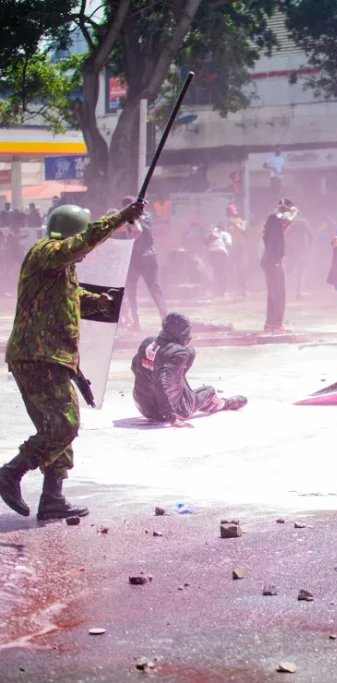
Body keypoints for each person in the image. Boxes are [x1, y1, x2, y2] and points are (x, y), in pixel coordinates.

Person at [0, 200, 146, 521]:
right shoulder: (47, 251)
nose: (84, 253)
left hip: (43, 356)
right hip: (42, 357)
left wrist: (98, 302)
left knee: (55, 428)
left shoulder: (58, 267)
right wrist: (120, 218)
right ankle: (10, 473)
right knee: (65, 425)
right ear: (69, 234)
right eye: (79, 243)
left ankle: (52, 498)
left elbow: (70, 298)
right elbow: (84, 241)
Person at [131, 312, 247, 425]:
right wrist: (171, 417)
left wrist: (148, 385)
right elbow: (161, 383)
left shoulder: (148, 343)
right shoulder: (179, 352)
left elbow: (135, 366)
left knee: (188, 352)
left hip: (143, 407)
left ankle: (187, 396)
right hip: (170, 412)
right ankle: (224, 403)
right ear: (180, 332)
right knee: (209, 391)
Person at [121, 195, 168, 331]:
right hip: (150, 256)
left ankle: (136, 323)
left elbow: (137, 230)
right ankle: (165, 321)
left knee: (131, 289)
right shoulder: (148, 215)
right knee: (156, 290)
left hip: (136, 258)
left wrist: (126, 244)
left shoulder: (130, 218)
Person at [261, 199, 298, 333]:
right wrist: (294, 213)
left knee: (273, 292)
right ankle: (278, 324)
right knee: (280, 292)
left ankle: (270, 324)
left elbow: (284, 227)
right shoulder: (275, 215)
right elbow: (287, 221)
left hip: (269, 259)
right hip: (273, 260)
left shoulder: (273, 221)